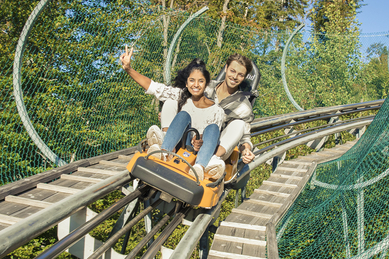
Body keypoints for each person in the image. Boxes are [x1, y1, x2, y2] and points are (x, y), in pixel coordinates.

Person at [120, 46, 225, 181]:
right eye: (192, 80)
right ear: (186, 83)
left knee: (213, 128)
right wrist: (129, 69)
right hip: (183, 143)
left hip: (200, 149)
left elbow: (212, 136)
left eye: (201, 81)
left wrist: (200, 140)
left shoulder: (217, 110)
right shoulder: (181, 96)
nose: (196, 85)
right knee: (183, 115)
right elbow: (153, 86)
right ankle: (164, 151)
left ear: (206, 84)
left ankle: (199, 168)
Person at [140, 53, 257, 172]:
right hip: (189, 135)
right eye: (232, 71)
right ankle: (166, 144)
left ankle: (211, 162)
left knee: (239, 124)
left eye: (240, 75)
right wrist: (169, 114)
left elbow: (245, 137)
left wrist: (246, 150)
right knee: (172, 100)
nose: (235, 76)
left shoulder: (244, 106)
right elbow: (182, 98)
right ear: (226, 68)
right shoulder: (205, 85)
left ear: (244, 77)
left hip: (213, 144)